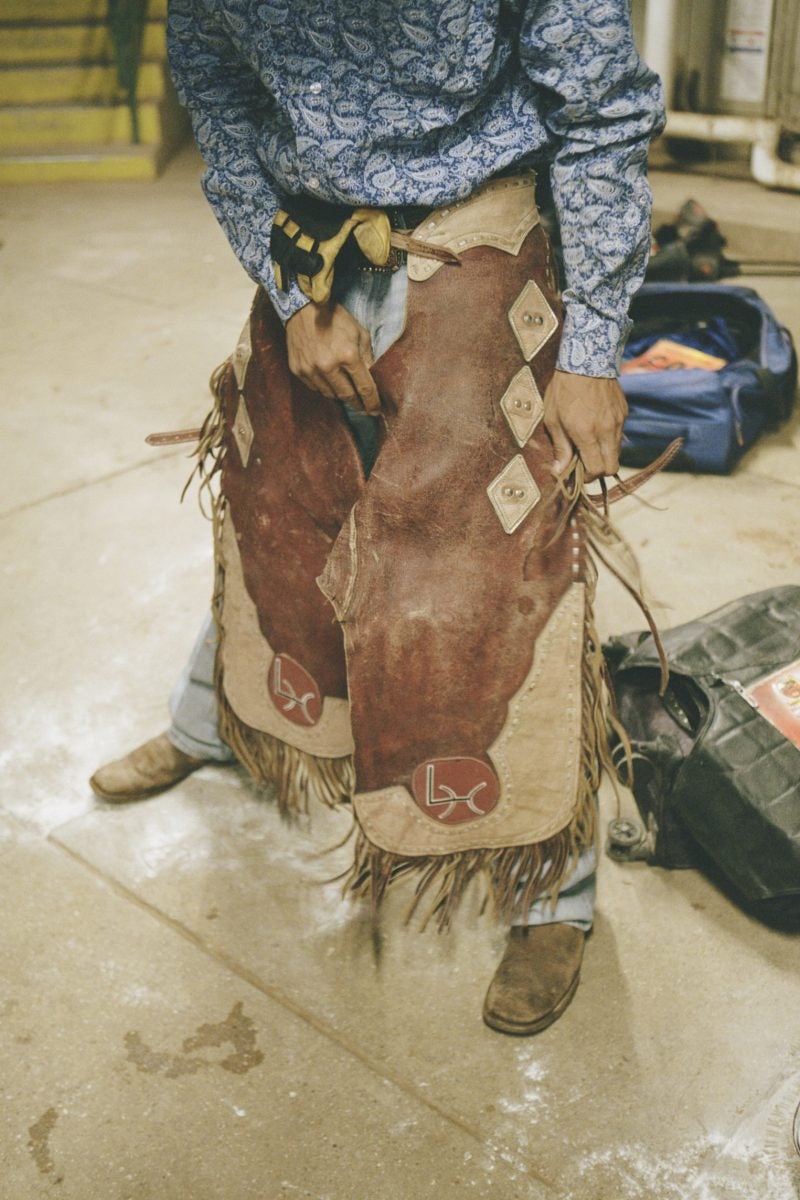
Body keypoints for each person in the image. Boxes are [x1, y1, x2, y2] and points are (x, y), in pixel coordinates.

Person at [91, 0, 665, 1035]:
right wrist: (291, 293)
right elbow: (220, 103)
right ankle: (211, 724)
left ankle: (553, 898)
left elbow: (602, 114)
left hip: (482, 245)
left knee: (495, 580)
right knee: (281, 523)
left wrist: (588, 352)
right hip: (312, 255)